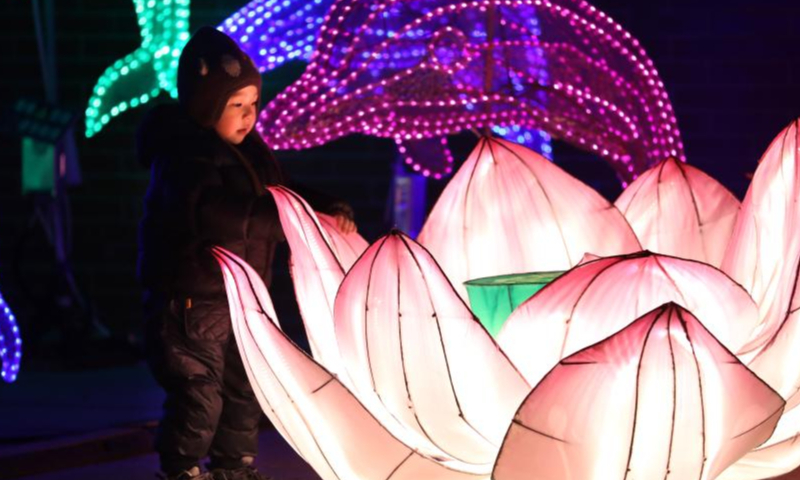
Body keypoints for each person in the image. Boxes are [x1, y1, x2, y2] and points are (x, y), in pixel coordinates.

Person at [135, 26, 355, 480]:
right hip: (194, 302)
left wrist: (320, 207)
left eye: (253, 104)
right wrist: (289, 223)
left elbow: (279, 192)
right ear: (206, 105)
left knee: (245, 386)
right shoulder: (184, 158)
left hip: (243, 299)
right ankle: (180, 470)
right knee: (199, 393)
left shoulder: (250, 152)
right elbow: (214, 215)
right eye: (236, 105)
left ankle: (235, 468)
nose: (248, 115)